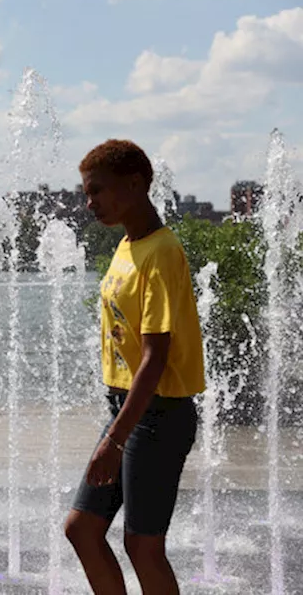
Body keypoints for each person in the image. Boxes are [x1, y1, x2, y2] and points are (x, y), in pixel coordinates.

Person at [64, 139, 203, 595]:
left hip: (158, 414)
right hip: (126, 408)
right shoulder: (128, 244)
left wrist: (115, 438)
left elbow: (155, 357)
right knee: (82, 530)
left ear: (136, 184)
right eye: (87, 193)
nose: (90, 203)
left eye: (98, 191)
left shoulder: (161, 251)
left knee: (143, 545)